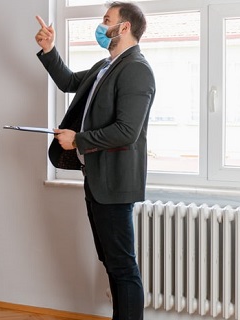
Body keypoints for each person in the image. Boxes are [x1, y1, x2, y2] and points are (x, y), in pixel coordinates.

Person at [34, 2, 155, 320]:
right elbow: (69, 82)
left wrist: (79, 140)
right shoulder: (107, 65)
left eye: (106, 20)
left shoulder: (136, 70)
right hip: (97, 179)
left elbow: (127, 131)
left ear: (125, 27)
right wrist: (49, 49)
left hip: (115, 183)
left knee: (123, 267)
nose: (100, 27)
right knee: (112, 263)